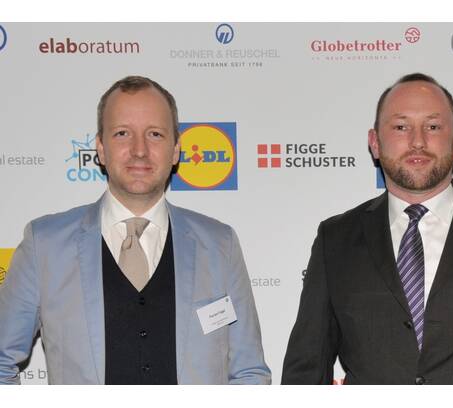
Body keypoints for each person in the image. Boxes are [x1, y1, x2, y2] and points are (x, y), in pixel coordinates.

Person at [0, 76, 271, 385]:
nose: (139, 150)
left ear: (175, 150)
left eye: (155, 134)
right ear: (100, 148)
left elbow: (249, 372)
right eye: (122, 133)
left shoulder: (220, 245)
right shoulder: (45, 245)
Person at [281, 73, 453, 385]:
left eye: (433, 127)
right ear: (375, 143)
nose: (418, 141)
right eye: (401, 127)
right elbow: (305, 372)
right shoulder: (336, 241)